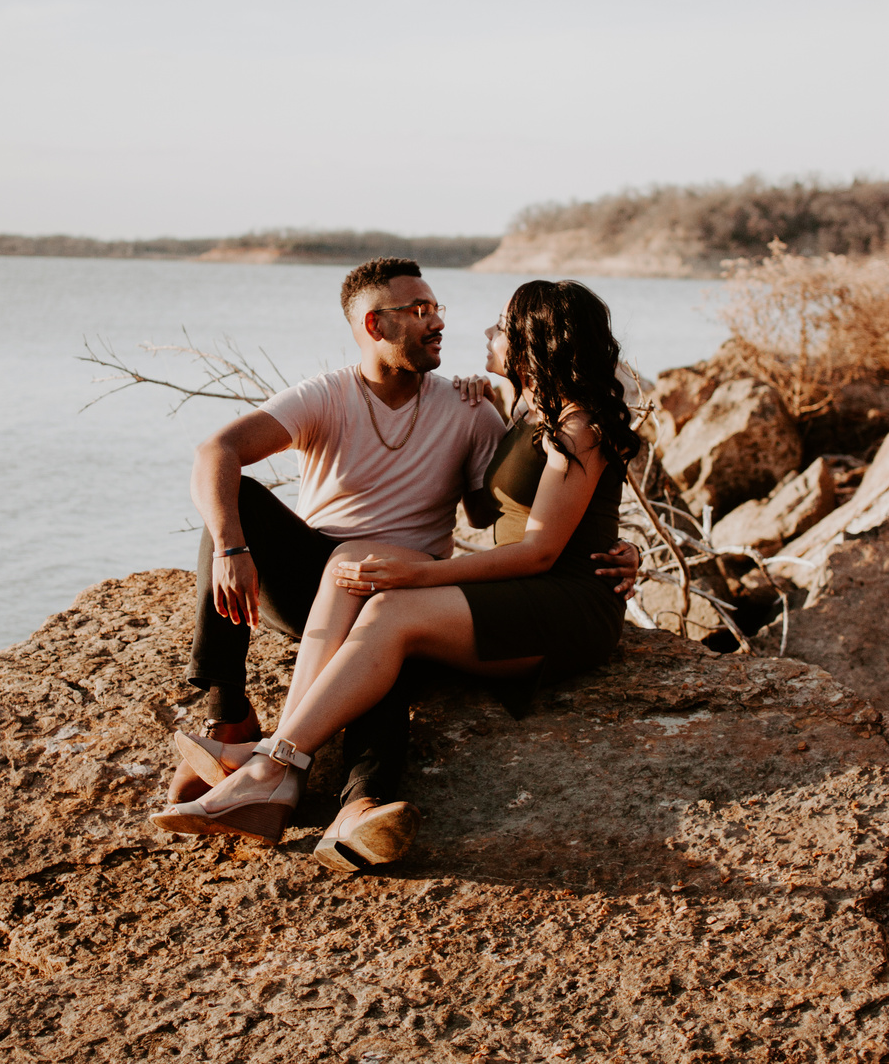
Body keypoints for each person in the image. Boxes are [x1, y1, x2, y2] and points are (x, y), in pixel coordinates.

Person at [153, 278, 642, 868]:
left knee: (390, 608)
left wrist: (424, 576)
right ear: (374, 326)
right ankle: (274, 759)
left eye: (500, 325)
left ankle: (275, 766)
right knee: (359, 577)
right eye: (422, 310)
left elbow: (539, 549)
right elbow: (511, 511)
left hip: (562, 601)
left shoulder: (576, 425)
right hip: (523, 586)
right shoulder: (520, 408)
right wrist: (490, 401)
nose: (482, 332)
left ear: (531, 340)